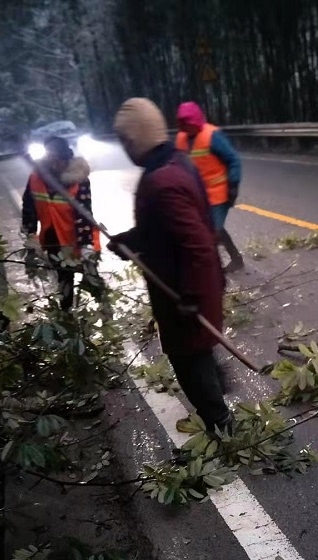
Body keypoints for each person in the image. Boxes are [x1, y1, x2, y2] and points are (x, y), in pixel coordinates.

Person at [109, 97, 233, 433]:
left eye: (124, 141)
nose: (124, 148)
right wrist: (130, 240)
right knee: (197, 354)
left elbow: (197, 244)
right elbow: (163, 230)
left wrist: (191, 296)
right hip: (193, 285)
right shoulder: (176, 162)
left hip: (184, 292)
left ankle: (221, 427)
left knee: (188, 361)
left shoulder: (161, 182)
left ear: (135, 139)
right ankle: (216, 392)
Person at [21, 136, 107, 312]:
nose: (55, 165)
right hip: (53, 239)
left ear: (66, 159)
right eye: (51, 160)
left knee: (91, 278)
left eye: (58, 160)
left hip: (78, 238)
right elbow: (29, 208)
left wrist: (85, 245)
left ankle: (105, 310)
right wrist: (30, 236)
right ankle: (66, 316)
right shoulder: (36, 179)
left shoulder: (79, 180)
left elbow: (84, 212)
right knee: (63, 279)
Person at [174, 101, 244, 273]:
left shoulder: (212, 135)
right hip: (197, 195)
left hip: (219, 193)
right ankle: (236, 258)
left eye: (190, 124)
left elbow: (233, 160)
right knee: (212, 228)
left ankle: (210, 270)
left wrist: (233, 185)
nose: (188, 128)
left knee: (213, 231)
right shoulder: (181, 139)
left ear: (197, 121)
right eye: (185, 125)